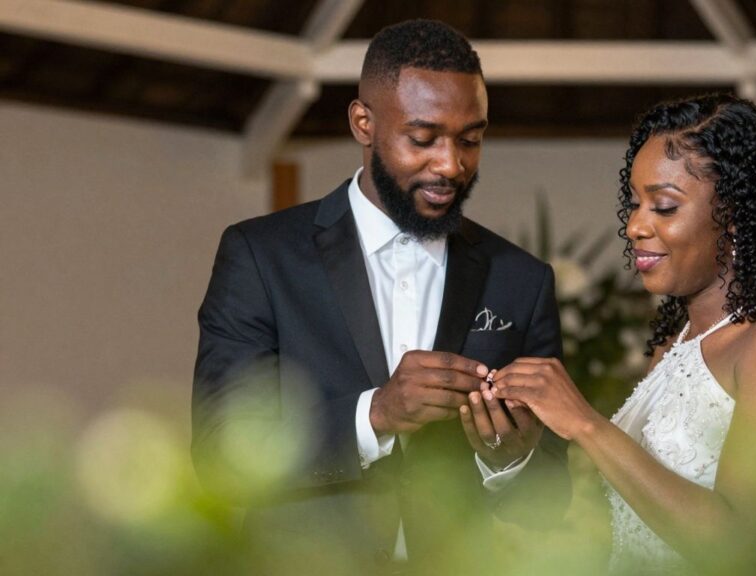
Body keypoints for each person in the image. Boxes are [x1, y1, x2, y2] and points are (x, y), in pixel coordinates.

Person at [191, 19, 567, 575]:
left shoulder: (521, 279)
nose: (451, 165)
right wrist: (376, 414)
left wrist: (510, 460)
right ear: (363, 123)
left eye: (471, 139)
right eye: (422, 138)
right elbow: (221, 455)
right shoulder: (261, 256)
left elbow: (551, 496)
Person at [490, 94, 756, 574]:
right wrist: (516, 450)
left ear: (737, 215)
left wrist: (586, 424)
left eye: (663, 206)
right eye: (635, 204)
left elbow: (747, 547)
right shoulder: (673, 344)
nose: (635, 225)